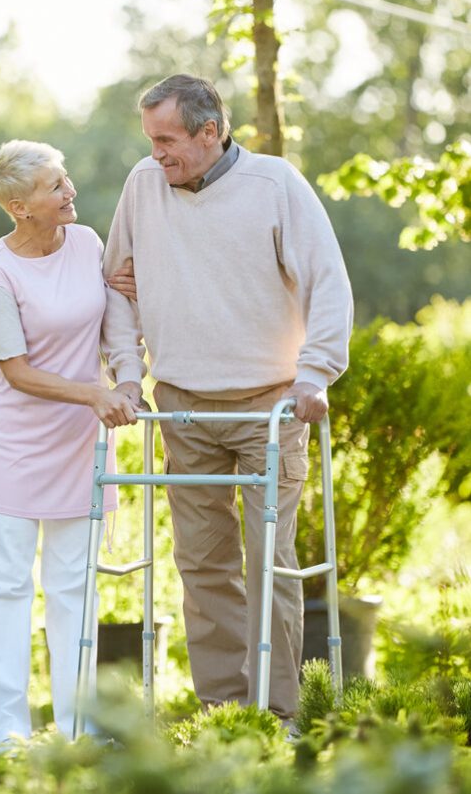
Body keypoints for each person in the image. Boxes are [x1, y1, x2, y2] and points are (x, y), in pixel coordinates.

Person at [102, 74, 353, 726]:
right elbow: (117, 286)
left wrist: (314, 374)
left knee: (271, 560)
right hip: (182, 402)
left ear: (210, 131)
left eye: (168, 140)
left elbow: (328, 283)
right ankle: (224, 714)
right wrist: (128, 374)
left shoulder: (274, 186)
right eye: (150, 140)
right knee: (203, 562)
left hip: (268, 404)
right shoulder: (141, 186)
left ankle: (277, 715)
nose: (157, 154)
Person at [0, 139, 140, 748]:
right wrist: (95, 396)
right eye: (54, 186)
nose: (69, 191)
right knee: (5, 591)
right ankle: (7, 734)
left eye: (65, 179)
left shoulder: (89, 242)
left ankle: (80, 731)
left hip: (80, 448)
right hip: (16, 448)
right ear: (20, 206)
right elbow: (15, 370)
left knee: (75, 589)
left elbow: (112, 313)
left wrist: (124, 378)